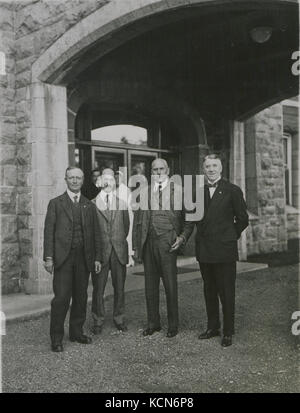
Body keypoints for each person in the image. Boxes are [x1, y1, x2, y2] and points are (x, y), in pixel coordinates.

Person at [184, 154, 249, 347]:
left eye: (214, 166)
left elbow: (243, 219)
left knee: (226, 291)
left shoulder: (233, 190)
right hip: (205, 249)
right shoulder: (197, 192)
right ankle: (213, 327)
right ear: (203, 169)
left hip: (224, 250)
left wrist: (229, 236)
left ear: (221, 168)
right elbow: (193, 220)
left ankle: (228, 331)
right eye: (207, 166)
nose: (211, 169)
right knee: (209, 290)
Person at [43, 166, 101, 352]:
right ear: (65, 179)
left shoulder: (89, 205)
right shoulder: (56, 203)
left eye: (78, 178)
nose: (74, 181)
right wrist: (49, 257)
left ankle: (76, 333)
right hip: (63, 259)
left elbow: (96, 235)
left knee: (81, 297)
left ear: (83, 180)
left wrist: (97, 258)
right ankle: (56, 338)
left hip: (84, 259)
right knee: (61, 299)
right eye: (71, 178)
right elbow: (48, 232)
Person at [132, 158, 188, 338]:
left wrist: (182, 238)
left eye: (161, 169)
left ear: (168, 170)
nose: (158, 172)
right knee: (150, 287)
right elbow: (138, 223)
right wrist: (135, 247)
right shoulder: (144, 192)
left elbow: (189, 220)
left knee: (170, 286)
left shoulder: (179, 191)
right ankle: (153, 323)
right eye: (155, 169)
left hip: (168, 243)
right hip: (149, 244)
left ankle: (173, 325)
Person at [91, 168, 130, 334]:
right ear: (99, 183)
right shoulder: (91, 204)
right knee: (98, 288)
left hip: (118, 251)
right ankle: (98, 320)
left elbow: (126, 227)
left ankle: (119, 318)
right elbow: (90, 232)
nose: (108, 183)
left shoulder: (122, 203)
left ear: (115, 183)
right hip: (100, 253)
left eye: (111, 180)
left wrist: (118, 241)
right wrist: (95, 256)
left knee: (119, 287)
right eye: (104, 180)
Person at [115, 170, 134, 267]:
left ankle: (130, 258)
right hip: (117, 216)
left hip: (126, 215)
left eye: (119, 177)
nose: (117, 179)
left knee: (128, 237)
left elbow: (125, 204)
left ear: (122, 179)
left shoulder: (125, 189)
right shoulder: (113, 189)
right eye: (115, 177)